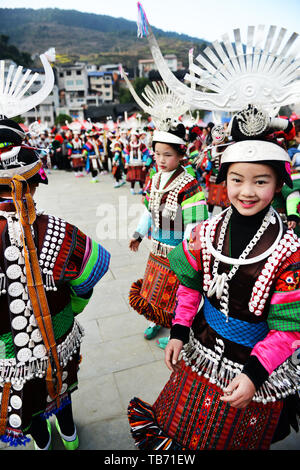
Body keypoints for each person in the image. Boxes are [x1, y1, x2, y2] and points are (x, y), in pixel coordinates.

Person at [128, 105, 300, 450]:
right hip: (199, 347)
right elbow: (190, 287)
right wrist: (178, 331)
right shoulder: (205, 233)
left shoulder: (289, 250)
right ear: (225, 181)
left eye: (261, 181)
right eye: (237, 180)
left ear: (279, 183)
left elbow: (288, 329)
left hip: (254, 363)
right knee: (181, 430)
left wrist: (254, 376)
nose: (247, 191)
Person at [0, 118, 111, 450]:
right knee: (61, 388)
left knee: (26, 400)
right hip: (60, 335)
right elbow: (89, 277)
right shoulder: (58, 231)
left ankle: (43, 440)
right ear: (34, 184)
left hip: (7, 350)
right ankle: (69, 433)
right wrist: (75, 306)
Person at [128, 122, 208, 348]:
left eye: (168, 155)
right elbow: (148, 209)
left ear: (181, 154)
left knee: (178, 292)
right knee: (155, 289)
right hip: (157, 247)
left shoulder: (189, 184)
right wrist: (138, 233)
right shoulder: (154, 179)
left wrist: (186, 254)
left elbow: (195, 224)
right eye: (157, 154)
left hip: (178, 250)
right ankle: (156, 319)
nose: (161, 160)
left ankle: (178, 332)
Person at [124, 131, 150, 195]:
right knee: (132, 177)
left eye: (133, 136)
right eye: (131, 136)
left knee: (140, 177)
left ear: (137, 137)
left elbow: (145, 154)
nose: (132, 138)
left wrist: (144, 162)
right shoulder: (129, 145)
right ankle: (132, 188)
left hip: (140, 164)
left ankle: (141, 188)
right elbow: (126, 154)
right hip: (131, 164)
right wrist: (126, 162)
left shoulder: (142, 145)